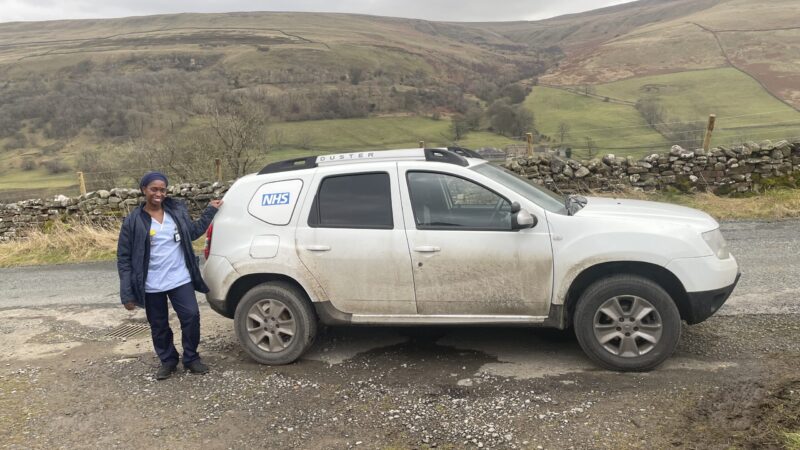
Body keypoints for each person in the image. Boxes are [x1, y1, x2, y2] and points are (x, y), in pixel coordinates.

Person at [117, 171, 223, 380]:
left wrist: (210, 211)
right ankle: (168, 361)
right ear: (144, 190)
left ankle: (191, 358)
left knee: (191, 317)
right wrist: (127, 294)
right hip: (151, 284)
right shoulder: (133, 221)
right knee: (159, 325)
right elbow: (124, 257)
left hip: (179, 278)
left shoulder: (176, 211)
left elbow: (192, 232)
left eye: (162, 189)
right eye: (154, 189)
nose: (159, 193)